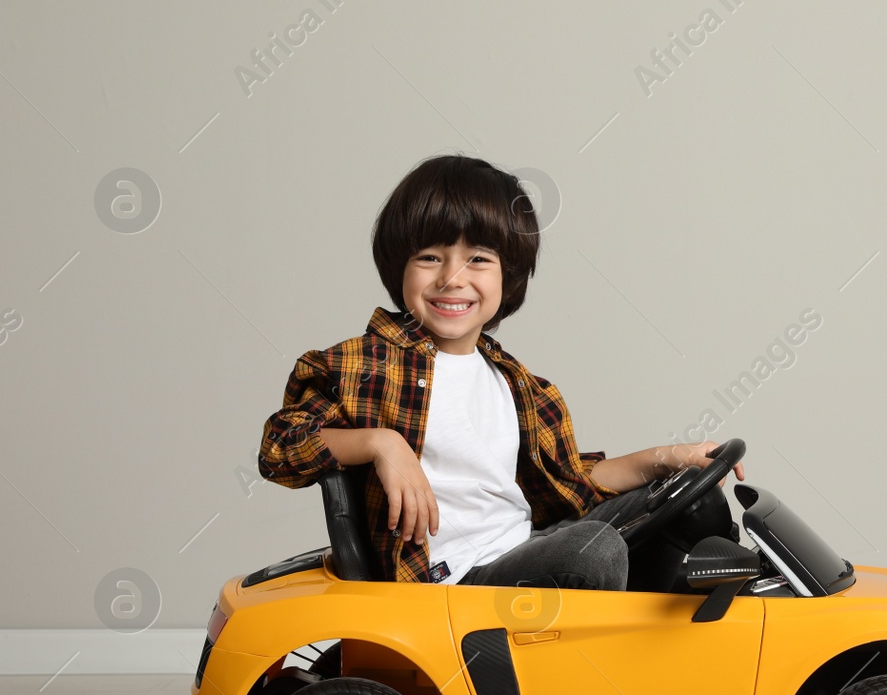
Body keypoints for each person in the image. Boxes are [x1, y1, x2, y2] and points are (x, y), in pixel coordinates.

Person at [256, 154, 743, 590]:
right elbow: (280, 447)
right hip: (456, 583)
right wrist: (381, 443)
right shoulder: (364, 366)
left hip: (524, 546)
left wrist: (670, 457)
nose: (451, 277)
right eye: (430, 257)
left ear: (507, 276)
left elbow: (573, 480)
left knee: (686, 501)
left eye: (478, 259)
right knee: (596, 550)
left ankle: (693, 641)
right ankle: (594, 673)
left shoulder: (518, 385)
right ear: (398, 265)